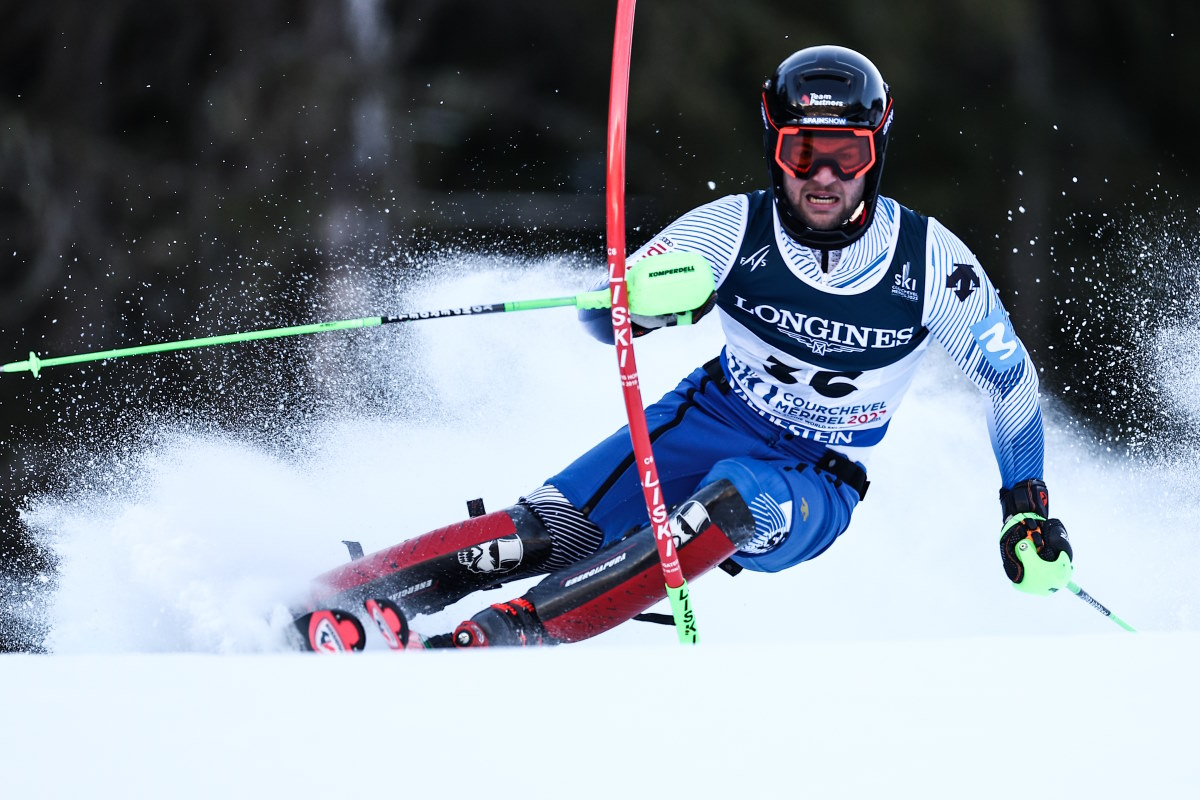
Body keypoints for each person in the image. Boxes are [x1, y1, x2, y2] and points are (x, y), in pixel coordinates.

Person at [299, 44, 1074, 651]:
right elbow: (607, 319)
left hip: (819, 476)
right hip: (708, 416)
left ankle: (503, 635)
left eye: (849, 154)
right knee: (544, 530)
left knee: (732, 501)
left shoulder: (933, 263)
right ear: (778, 148)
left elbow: (1008, 382)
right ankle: (333, 597)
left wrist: (1025, 509)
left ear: (877, 152)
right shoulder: (729, 229)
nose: (826, 177)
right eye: (806, 153)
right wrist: (639, 308)